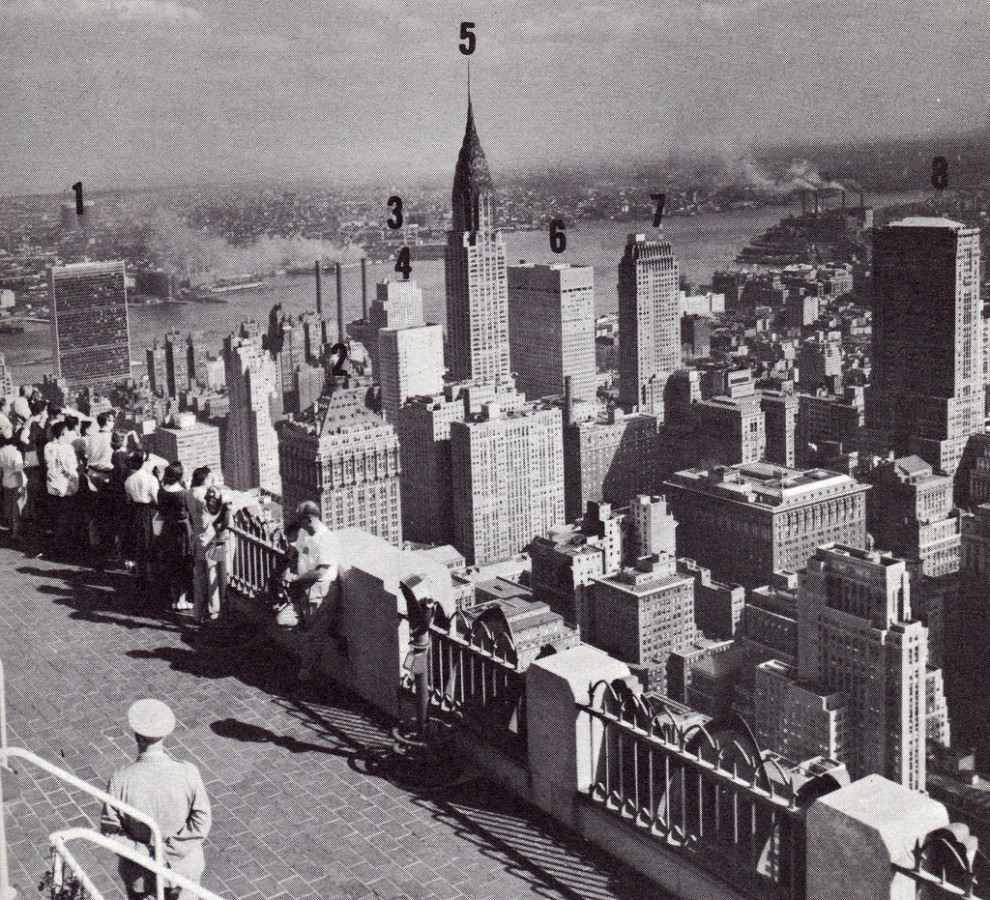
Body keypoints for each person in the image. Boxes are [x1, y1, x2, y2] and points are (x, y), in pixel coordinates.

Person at [100, 699, 212, 900]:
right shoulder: (188, 772)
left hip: (141, 876)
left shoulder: (120, 780)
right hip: (183, 870)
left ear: (136, 735)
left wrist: (146, 854)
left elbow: (110, 832)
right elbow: (201, 821)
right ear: (165, 734)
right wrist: (168, 852)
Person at [282, 501, 343, 681]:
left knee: (313, 633)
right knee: (286, 620)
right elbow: (297, 555)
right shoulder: (304, 532)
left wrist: (295, 579)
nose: (298, 524)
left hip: (321, 590)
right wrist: (291, 570)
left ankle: (306, 672)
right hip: (303, 588)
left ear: (309, 519)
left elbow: (320, 572)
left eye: (301, 520)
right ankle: (306, 661)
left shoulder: (327, 539)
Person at [184, 467, 223, 626]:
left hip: (197, 538)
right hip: (211, 540)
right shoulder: (204, 497)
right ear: (205, 479)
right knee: (213, 575)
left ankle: (198, 613)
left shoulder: (189, 493)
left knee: (199, 577)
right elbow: (214, 515)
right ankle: (215, 612)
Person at [157, 462, 193, 611]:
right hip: (182, 530)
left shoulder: (161, 491)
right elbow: (186, 513)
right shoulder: (183, 493)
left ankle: (174, 598)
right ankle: (182, 599)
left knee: (172, 564)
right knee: (184, 564)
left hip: (168, 529)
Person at [42, 419, 79, 558]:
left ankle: (54, 545)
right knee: (65, 516)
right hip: (65, 485)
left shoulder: (48, 446)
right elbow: (71, 467)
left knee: (54, 515)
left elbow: (47, 462)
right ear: (63, 433)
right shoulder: (68, 448)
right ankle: (63, 546)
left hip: (52, 484)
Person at [124, 450, 159, 581]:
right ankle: (151, 577)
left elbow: (128, 499)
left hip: (135, 511)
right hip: (148, 511)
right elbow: (156, 500)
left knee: (138, 541)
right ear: (144, 463)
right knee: (149, 542)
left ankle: (139, 575)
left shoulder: (129, 480)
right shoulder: (151, 479)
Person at [0, 437, 26, 542]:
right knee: (17, 508)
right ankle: (15, 533)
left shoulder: (1, 452)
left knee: (9, 506)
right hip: (16, 482)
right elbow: (19, 470)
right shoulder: (16, 453)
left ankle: (11, 529)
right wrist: (22, 484)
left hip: (5, 481)